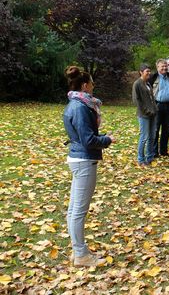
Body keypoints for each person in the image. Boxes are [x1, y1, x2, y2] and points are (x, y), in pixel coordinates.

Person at [63, 66, 115, 267]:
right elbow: (88, 139)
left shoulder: (76, 104)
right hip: (84, 160)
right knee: (78, 211)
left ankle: (78, 252)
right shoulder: (81, 107)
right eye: (92, 83)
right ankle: (81, 255)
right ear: (85, 85)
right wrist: (107, 139)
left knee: (74, 209)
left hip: (79, 159)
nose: (93, 86)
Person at [149, 58, 169, 157]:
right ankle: (154, 152)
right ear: (157, 67)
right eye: (162, 66)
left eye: (166, 66)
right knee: (155, 129)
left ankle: (163, 150)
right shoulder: (153, 77)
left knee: (166, 130)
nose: (164, 68)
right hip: (157, 106)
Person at [132, 64, 157, 167]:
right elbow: (136, 100)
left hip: (153, 114)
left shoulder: (148, 83)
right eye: (147, 71)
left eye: (150, 71)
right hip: (144, 115)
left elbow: (151, 99)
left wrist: (155, 109)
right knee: (144, 137)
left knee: (152, 136)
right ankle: (141, 159)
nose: (149, 73)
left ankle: (149, 157)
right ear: (141, 72)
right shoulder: (137, 84)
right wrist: (146, 111)